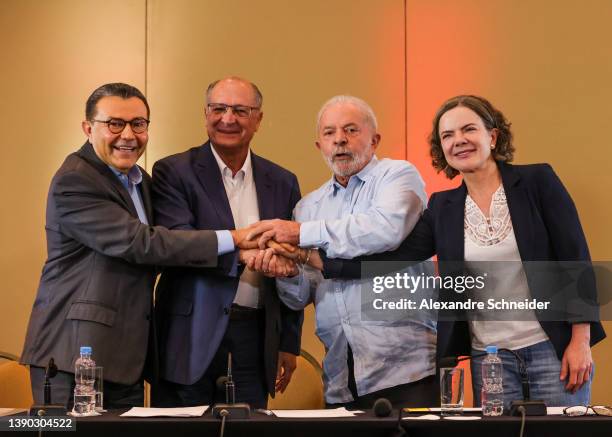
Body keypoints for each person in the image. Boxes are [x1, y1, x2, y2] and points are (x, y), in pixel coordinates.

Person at [319, 95, 606, 408]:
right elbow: (391, 260)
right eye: (447, 136)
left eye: (468, 129)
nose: (459, 141)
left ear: (492, 136)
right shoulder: (444, 207)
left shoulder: (538, 182)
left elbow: (575, 258)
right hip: (491, 358)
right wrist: (319, 262)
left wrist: (581, 341)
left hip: (552, 349)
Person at [20, 83, 258, 409]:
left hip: (125, 358)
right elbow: (140, 243)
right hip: (74, 358)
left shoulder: (140, 181)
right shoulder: (75, 179)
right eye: (114, 124)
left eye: (138, 124)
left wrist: (250, 255)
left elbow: (160, 256)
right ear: (89, 128)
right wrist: (234, 238)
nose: (128, 135)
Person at [247, 95, 438, 408]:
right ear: (319, 145)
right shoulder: (307, 207)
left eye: (351, 130)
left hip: (406, 367)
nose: (340, 140)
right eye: (329, 133)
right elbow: (299, 296)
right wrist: (286, 272)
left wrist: (301, 233)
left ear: (375, 140)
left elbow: (382, 230)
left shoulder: (398, 176)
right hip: (340, 372)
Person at [151, 77, 303, 409]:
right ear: (205, 114)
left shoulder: (282, 181)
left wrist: (289, 342)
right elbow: (177, 246)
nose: (228, 118)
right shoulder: (173, 172)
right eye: (218, 108)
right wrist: (245, 256)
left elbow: (293, 264)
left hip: (256, 336)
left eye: (240, 110)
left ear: (258, 119)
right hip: (189, 335)